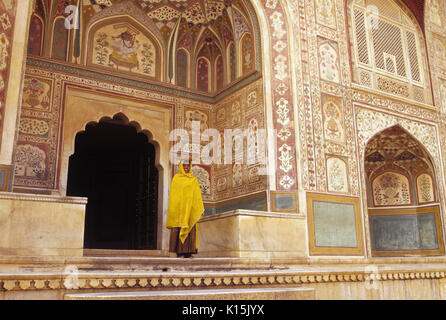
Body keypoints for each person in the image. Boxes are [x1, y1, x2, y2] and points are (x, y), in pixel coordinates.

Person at [166, 161, 204, 258]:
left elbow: (196, 195)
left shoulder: (193, 180)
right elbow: (174, 196)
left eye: (188, 165)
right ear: (181, 166)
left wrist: (197, 206)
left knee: (190, 228)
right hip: (179, 210)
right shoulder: (176, 179)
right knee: (179, 228)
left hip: (190, 209)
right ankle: (179, 252)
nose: (186, 167)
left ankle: (189, 252)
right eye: (184, 165)